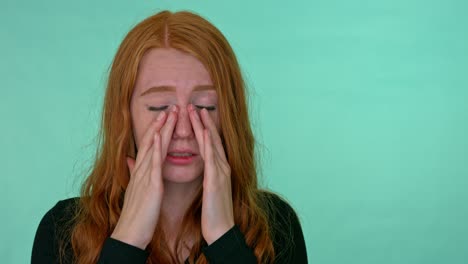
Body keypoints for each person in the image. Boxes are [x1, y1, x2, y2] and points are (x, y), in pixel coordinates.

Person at [31, 10, 308, 264]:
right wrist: (128, 239)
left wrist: (225, 238)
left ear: (228, 117)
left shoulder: (277, 225)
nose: (184, 130)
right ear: (124, 117)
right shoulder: (60, 230)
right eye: (160, 108)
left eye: (204, 107)